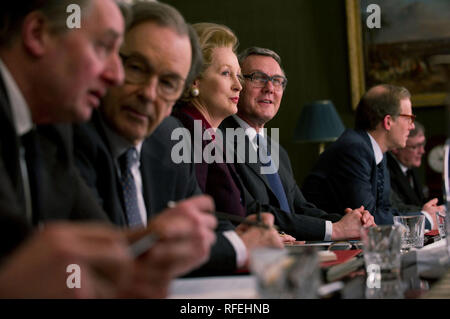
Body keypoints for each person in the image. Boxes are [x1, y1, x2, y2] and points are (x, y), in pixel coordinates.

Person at [0, 0, 216, 298]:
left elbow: (105, 246)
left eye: (168, 83)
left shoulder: (51, 128)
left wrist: (148, 246)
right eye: (103, 48)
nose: (114, 75)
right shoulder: (74, 131)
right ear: (38, 34)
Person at [220, 46, 375, 241]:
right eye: (259, 78)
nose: (270, 88)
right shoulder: (219, 140)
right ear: (238, 83)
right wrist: (333, 229)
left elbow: (300, 209)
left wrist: (351, 222)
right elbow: (250, 211)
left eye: (277, 81)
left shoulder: (277, 150)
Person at [172, 23, 284, 271]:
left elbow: (221, 217)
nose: (239, 85)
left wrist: (251, 235)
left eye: (238, 75)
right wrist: (243, 242)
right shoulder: (186, 132)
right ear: (195, 79)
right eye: (226, 74)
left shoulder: (208, 135)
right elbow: (192, 228)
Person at [302, 84, 444, 229]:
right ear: (388, 122)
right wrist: (425, 219)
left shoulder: (378, 151)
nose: (412, 126)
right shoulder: (353, 149)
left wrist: (424, 214)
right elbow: (368, 218)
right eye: (409, 118)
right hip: (323, 247)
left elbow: (386, 210)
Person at [387, 121, 441, 213]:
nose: (422, 151)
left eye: (423, 144)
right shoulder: (386, 172)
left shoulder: (409, 165)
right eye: (415, 147)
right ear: (395, 148)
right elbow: (397, 209)